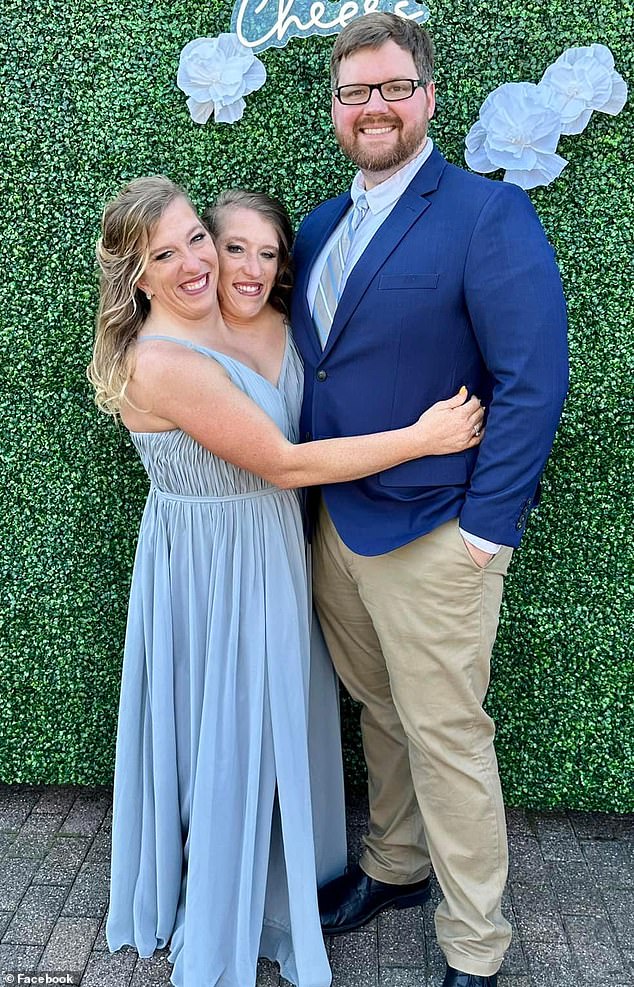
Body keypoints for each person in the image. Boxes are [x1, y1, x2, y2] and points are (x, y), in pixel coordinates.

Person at [88, 175, 485, 987]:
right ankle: (236, 902)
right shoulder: (162, 360)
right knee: (228, 730)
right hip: (214, 569)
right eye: (166, 252)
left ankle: (288, 875)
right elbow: (284, 462)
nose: (196, 259)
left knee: (274, 721)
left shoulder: (259, 321)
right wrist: (423, 437)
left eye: (198, 236)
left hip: (271, 553)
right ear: (137, 276)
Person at [290, 13, 569, 987]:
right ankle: (398, 866)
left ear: (427, 97)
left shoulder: (486, 215)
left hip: (434, 533)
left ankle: (475, 947)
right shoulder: (321, 225)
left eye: (392, 88)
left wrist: (486, 531)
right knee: (377, 710)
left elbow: (532, 381)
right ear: (334, 107)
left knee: (447, 734)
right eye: (356, 91)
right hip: (336, 528)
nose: (375, 106)